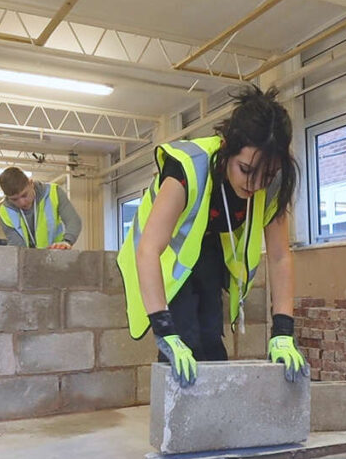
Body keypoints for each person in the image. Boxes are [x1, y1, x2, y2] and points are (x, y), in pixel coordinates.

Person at [117, 84, 309, 387]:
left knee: (211, 340)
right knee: (185, 343)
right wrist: (164, 328)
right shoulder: (188, 168)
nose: (256, 184)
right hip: (165, 256)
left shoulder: (273, 182)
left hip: (208, 248)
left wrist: (283, 330)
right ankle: (179, 423)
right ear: (226, 148)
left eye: (267, 175)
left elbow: (280, 255)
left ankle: (217, 419)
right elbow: (149, 249)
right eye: (246, 170)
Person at [0, 168, 82, 249]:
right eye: (14, 199)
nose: (22, 202)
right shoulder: (5, 212)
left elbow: (73, 221)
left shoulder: (54, 193)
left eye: (24, 195)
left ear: (31, 183)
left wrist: (66, 241)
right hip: (26, 259)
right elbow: (17, 244)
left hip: (56, 255)